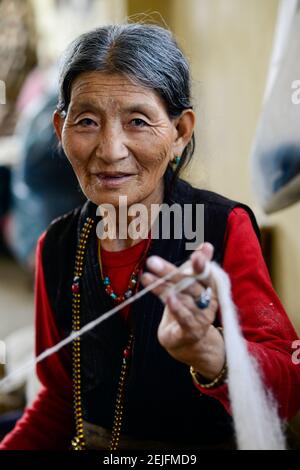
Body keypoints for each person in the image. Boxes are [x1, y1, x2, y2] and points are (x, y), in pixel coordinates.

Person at [0, 23, 299, 451]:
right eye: (86, 121)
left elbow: (289, 389)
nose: (110, 149)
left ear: (179, 133)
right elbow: (60, 396)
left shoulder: (220, 228)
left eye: (138, 121)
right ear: (59, 128)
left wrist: (211, 351)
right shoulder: (58, 247)